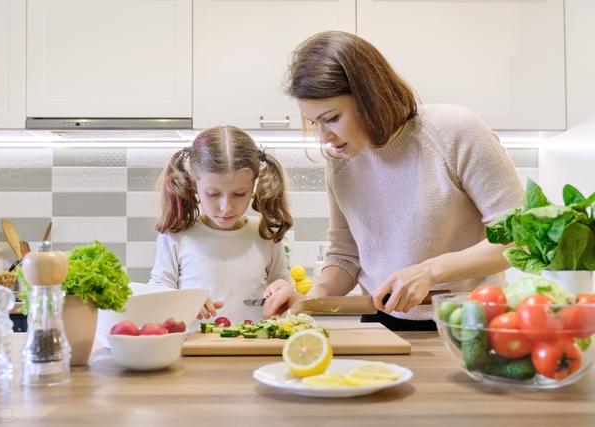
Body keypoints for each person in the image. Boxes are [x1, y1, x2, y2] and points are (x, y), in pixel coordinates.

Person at [262, 31, 524, 331]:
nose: (324, 137)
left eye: (332, 118)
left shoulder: (455, 131)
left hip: (469, 322)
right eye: (313, 123)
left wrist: (430, 271)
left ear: (369, 97)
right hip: (381, 325)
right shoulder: (340, 162)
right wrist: (309, 299)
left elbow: (519, 240)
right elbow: (346, 256)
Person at [148, 125, 294, 322]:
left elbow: (284, 286)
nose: (226, 207)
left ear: (254, 184)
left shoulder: (264, 234)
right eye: (213, 194)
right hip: (191, 348)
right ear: (194, 184)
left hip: (254, 349)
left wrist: (283, 290)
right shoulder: (176, 236)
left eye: (239, 194)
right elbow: (156, 294)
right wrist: (183, 301)